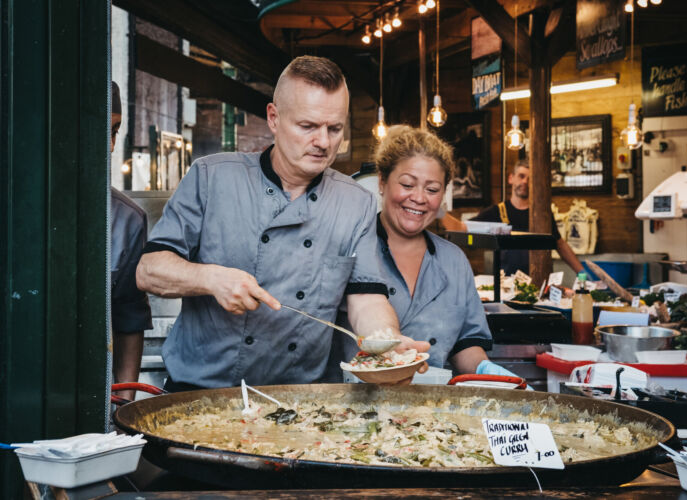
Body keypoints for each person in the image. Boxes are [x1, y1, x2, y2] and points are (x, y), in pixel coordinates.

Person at [136, 56, 428, 391]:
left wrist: (387, 342)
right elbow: (149, 270)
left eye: (335, 129)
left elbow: (366, 298)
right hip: (202, 394)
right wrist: (211, 278)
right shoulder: (211, 176)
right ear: (273, 118)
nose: (323, 142)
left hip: (301, 401)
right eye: (308, 126)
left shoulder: (356, 203)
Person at [328, 125, 519, 379]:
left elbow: (465, 343)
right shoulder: (349, 247)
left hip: (430, 407)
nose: (419, 198)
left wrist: (488, 373)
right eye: (407, 184)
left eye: (432, 189)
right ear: (383, 182)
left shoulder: (454, 261)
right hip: (354, 405)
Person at [441, 160, 584, 277]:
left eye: (530, 178)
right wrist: (438, 212)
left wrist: (583, 274)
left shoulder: (542, 214)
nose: (525, 182)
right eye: (521, 176)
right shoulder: (497, 212)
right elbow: (459, 228)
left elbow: (559, 244)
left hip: (540, 286)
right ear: (511, 178)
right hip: (507, 287)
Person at [110, 82, 152, 401]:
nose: (110, 146)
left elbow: (129, 318)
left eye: (115, 131)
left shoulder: (128, 220)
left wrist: (123, 406)